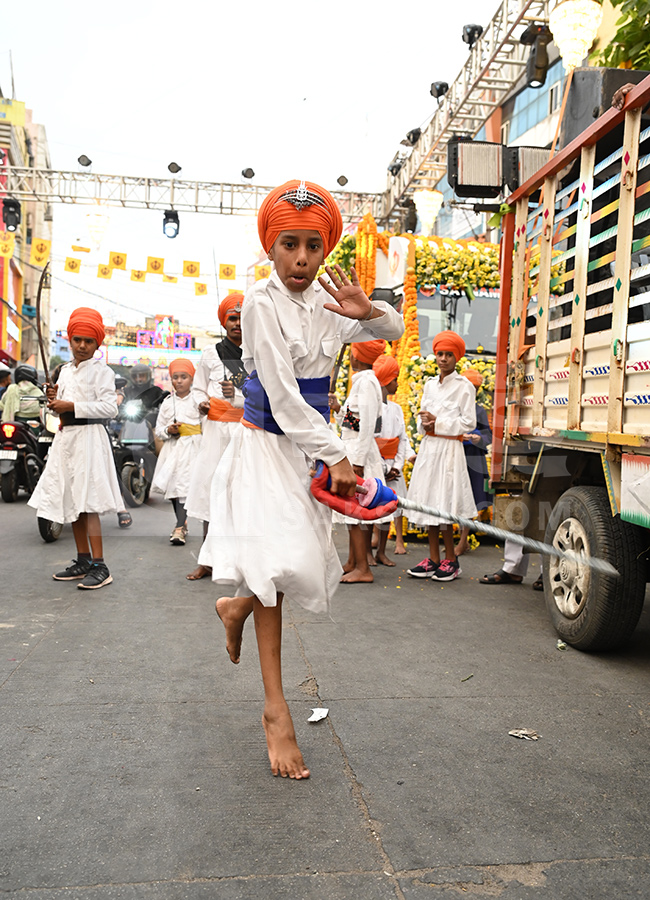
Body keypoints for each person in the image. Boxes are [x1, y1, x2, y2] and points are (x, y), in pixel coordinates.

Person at [199, 179, 404, 779]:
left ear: (326, 248)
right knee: (281, 562)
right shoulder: (260, 303)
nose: (302, 259)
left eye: (314, 246)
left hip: (309, 455)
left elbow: (389, 335)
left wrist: (370, 313)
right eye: (289, 244)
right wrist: (339, 455)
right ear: (270, 246)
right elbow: (285, 399)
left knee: (286, 567)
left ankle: (236, 608)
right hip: (268, 448)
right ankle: (275, 710)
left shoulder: (328, 304)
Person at [28, 307, 122, 589]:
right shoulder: (64, 371)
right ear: (69, 340)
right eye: (77, 340)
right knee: (73, 501)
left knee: (89, 503)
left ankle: (100, 565)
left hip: (90, 439)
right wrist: (54, 400)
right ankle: (83, 560)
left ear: (97, 344)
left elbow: (110, 408)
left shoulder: (103, 372)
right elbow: (59, 411)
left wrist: (70, 405)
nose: (82, 346)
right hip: (66, 440)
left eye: (88, 341)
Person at [406, 331, 476, 582]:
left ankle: (451, 560)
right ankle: (433, 558)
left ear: (456, 357)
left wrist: (440, 423)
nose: (443, 359)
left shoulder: (464, 387)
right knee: (428, 502)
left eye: (448, 355)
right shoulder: (429, 385)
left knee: (445, 505)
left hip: (449, 451)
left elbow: (469, 422)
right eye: (440, 354)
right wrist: (424, 423)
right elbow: (420, 416)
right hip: (429, 449)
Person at [184, 292, 246, 580]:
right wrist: (201, 402)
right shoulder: (211, 353)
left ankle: (240, 560)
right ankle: (207, 561)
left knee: (241, 496)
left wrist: (239, 397)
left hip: (245, 433)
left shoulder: (257, 352)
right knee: (212, 493)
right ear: (224, 321)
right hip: (215, 433)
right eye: (232, 318)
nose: (237, 324)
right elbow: (197, 389)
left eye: (242, 318)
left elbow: (266, 394)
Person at [333, 339, 387, 583]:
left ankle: (363, 568)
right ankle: (353, 561)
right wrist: (338, 411)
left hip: (359, 454)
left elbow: (366, 426)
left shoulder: (366, 382)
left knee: (355, 512)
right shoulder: (363, 381)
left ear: (356, 356)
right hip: (355, 449)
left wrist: (357, 461)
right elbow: (355, 421)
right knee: (351, 512)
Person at [151, 357, 202, 545]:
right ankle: (182, 523)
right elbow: (159, 429)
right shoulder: (166, 402)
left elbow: (206, 424)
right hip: (173, 449)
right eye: (175, 377)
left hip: (193, 448)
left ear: (192, 379)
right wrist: (168, 430)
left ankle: (179, 526)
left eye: (184, 377)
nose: (179, 381)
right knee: (173, 487)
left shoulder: (198, 400)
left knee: (185, 487)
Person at [372, 354, 415, 563]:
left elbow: (402, 440)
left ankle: (382, 551)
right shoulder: (372, 408)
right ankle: (367, 554)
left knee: (392, 506)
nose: (398, 383)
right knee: (374, 507)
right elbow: (371, 441)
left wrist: (396, 466)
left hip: (393, 468)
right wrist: (382, 468)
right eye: (395, 379)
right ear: (387, 381)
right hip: (377, 465)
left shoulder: (397, 409)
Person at [455, 368, 492, 557]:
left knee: (470, 497)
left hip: (473, 458)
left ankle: (463, 541)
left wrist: (479, 438)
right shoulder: (455, 407)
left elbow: (488, 435)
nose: (473, 391)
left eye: (476, 388)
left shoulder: (479, 411)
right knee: (457, 496)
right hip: (456, 455)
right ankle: (461, 540)